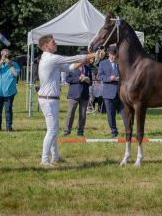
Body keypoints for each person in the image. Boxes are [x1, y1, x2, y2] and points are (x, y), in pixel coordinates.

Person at [37, 34, 103, 167]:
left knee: (54, 129)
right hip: (48, 100)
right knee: (52, 130)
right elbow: (71, 59)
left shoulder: (51, 59)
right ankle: (44, 160)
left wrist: (86, 60)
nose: (55, 43)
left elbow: (70, 67)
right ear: (46, 46)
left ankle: (55, 156)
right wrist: (92, 55)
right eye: (53, 42)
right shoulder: (51, 58)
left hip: (50, 99)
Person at [98, 46, 127, 137]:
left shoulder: (121, 63)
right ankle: (114, 131)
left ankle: (128, 131)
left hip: (121, 94)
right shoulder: (103, 63)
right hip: (108, 94)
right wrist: (109, 78)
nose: (114, 57)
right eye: (112, 55)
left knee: (125, 114)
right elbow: (100, 76)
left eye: (115, 55)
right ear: (109, 54)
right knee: (111, 115)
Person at [63, 51, 93, 136]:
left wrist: (88, 80)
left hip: (84, 94)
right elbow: (67, 80)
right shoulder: (72, 67)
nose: (85, 59)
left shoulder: (88, 68)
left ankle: (80, 132)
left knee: (83, 114)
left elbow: (91, 82)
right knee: (70, 113)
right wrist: (79, 79)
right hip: (73, 94)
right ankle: (67, 131)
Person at [0, 49, 20, 132]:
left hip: (10, 92)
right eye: (5, 55)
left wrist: (10, 65)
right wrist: (1, 61)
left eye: (8, 55)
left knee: (8, 110)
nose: (7, 57)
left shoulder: (14, 64)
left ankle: (8, 127)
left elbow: (16, 74)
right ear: (1, 55)